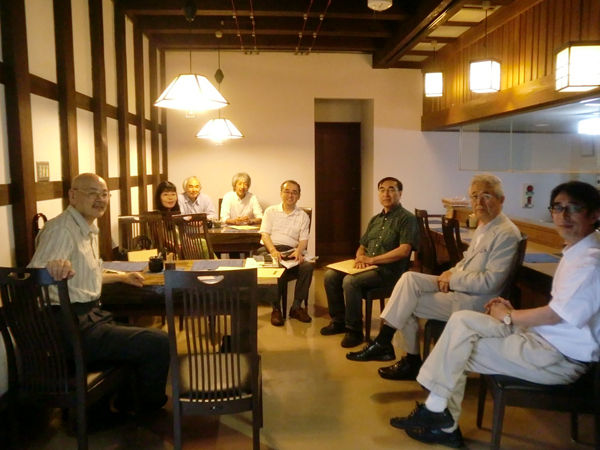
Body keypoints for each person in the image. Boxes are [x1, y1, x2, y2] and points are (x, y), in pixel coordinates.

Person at [391, 180, 600, 447]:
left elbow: (554, 315)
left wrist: (508, 316)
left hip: (557, 358)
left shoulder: (590, 262)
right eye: (558, 208)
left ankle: (440, 419)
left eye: (574, 208)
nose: (564, 215)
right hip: (541, 339)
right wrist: (511, 311)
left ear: (594, 214)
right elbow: (558, 312)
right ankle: (437, 413)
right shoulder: (577, 251)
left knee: (456, 348)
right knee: (460, 322)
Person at [347, 174, 521, 379]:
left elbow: (491, 282)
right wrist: (449, 272)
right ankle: (387, 345)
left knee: (406, 302)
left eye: (486, 196)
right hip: (461, 287)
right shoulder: (484, 226)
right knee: (409, 279)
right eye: (474, 196)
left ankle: (401, 355)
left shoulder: (506, 233)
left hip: (476, 300)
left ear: (501, 199)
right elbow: (466, 261)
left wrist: (452, 279)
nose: (479, 202)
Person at [28, 173, 170, 415]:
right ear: (73, 196)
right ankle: (143, 409)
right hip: (71, 326)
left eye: (104, 194)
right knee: (158, 342)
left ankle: (125, 403)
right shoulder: (62, 229)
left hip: (88, 318)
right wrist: (52, 269)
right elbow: (34, 275)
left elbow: (87, 275)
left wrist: (121, 277)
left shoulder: (86, 227)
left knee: (134, 333)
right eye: (92, 193)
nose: (100, 199)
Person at [320, 177, 419, 348]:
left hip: (388, 272)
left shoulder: (407, 219)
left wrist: (372, 260)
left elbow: (404, 250)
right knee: (330, 275)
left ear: (400, 193)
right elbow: (362, 245)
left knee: (350, 281)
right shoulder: (375, 219)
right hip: (368, 267)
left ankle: (354, 331)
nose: (386, 194)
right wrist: (360, 257)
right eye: (382, 190)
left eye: (391, 189)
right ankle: (338, 321)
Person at [260, 180, 313, 326]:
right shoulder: (270, 211)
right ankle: (276, 308)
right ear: (281, 193)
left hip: (291, 251)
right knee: (277, 266)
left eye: (294, 192)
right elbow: (265, 235)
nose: (290, 195)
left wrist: (298, 251)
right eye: (287, 191)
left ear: (299, 196)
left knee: (307, 267)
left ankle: (296, 307)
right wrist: (273, 251)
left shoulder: (303, 216)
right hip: (271, 249)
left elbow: (303, 239)